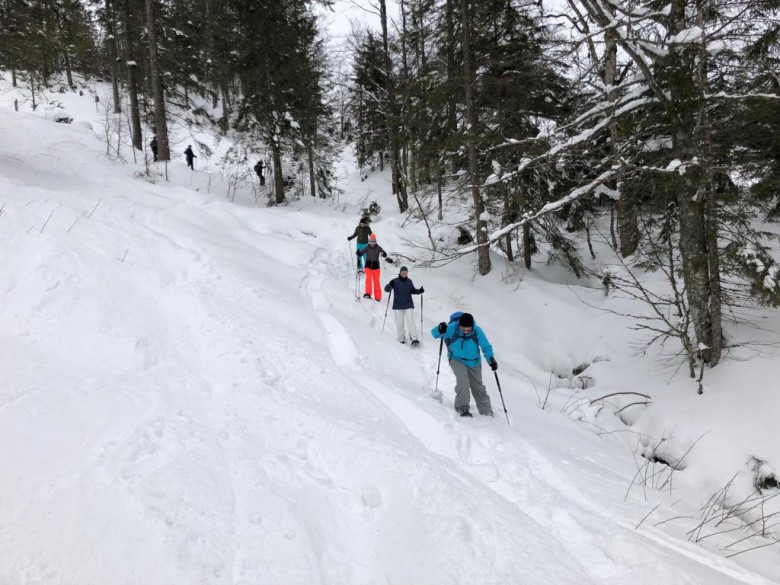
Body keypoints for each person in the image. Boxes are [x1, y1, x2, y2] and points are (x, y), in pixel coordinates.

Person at [431, 312, 497, 417]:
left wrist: (491, 359)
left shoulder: (477, 331)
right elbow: (434, 334)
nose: (465, 331)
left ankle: (486, 410)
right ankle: (462, 408)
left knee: (478, 386)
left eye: (468, 329)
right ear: (459, 325)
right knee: (463, 381)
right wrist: (439, 328)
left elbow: (486, 347)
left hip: (474, 361)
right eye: (463, 329)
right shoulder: (452, 328)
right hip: (456, 359)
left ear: (472, 326)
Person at [384, 267, 424, 346]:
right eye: (403, 273)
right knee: (400, 323)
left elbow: (412, 290)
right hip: (397, 306)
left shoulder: (409, 281)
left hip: (408, 304)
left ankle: (414, 338)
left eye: (406, 273)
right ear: (400, 273)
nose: (404, 274)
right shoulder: (395, 281)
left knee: (410, 321)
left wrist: (419, 291)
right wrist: (389, 285)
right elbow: (386, 290)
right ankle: (401, 338)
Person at [356, 234, 392, 301]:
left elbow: (384, 254)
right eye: (371, 242)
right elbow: (361, 253)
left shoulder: (378, 247)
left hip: (376, 267)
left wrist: (383, 253)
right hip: (368, 266)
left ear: (375, 242)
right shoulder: (367, 247)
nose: (372, 244)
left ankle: (377, 296)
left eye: (373, 242)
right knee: (368, 279)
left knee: (376, 282)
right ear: (369, 242)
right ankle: (368, 293)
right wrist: (359, 253)